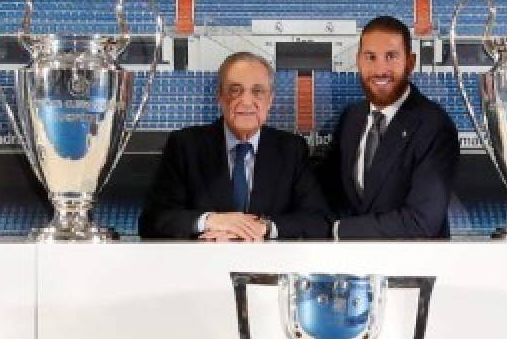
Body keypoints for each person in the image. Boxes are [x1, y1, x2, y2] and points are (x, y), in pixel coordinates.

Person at [139, 52, 329, 240]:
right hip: (204, 264)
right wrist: (210, 221)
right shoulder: (185, 145)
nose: (246, 101)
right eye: (235, 90)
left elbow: (319, 221)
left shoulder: (291, 149)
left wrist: (264, 227)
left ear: (270, 100)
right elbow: (153, 220)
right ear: (220, 96)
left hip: (269, 265)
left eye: (258, 91)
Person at [317, 16, 459, 239]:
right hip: (355, 268)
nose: (380, 69)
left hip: (411, 271)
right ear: (359, 61)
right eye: (370, 57)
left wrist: (338, 229)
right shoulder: (351, 117)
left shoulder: (434, 125)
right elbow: (329, 193)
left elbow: (421, 222)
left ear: (410, 62)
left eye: (391, 56)